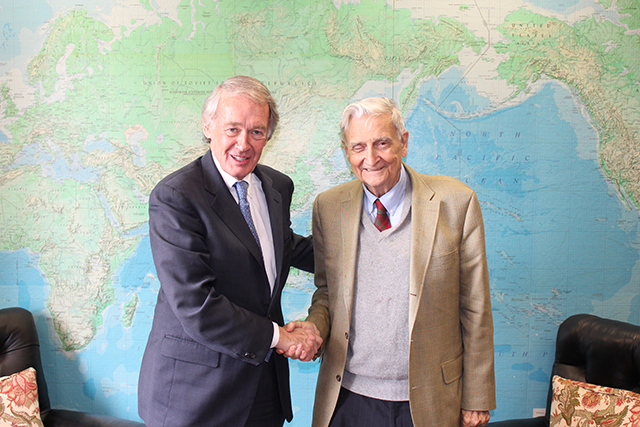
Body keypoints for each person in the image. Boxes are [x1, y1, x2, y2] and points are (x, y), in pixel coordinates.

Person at [293, 97, 495, 427]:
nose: (370, 158)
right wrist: (314, 328)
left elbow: (475, 308)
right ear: (347, 152)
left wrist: (476, 397)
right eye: (358, 147)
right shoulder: (329, 208)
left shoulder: (457, 202)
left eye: (382, 143)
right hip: (349, 398)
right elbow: (328, 294)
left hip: (429, 401)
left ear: (404, 142)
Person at [138, 76, 321, 427]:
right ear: (208, 126)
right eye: (233, 128)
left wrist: (365, 248)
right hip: (195, 397)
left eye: (256, 131)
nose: (244, 143)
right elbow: (197, 305)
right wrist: (281, 336)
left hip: (262, 390)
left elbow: (284, 247)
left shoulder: (276, 186)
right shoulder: (176, 197)